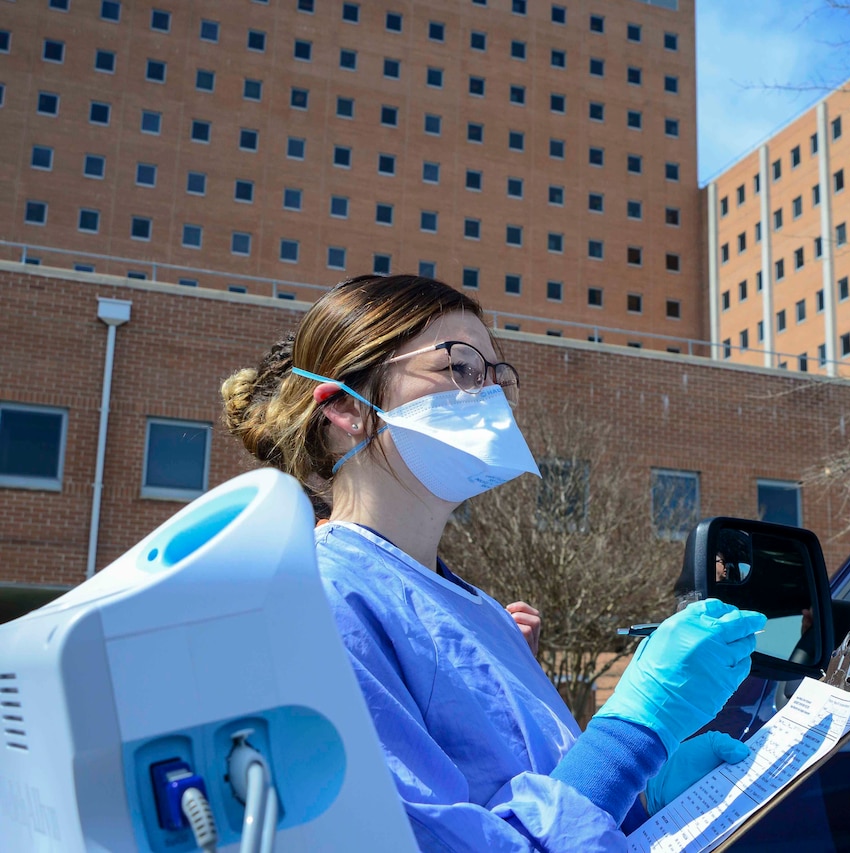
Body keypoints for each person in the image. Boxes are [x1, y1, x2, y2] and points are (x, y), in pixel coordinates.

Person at [221, 274, 764, 851]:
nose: (489, 397)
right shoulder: (322, 604)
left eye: (496, 376)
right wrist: (631, 736)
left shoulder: (474, 608)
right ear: (347, 408)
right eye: (459, 368)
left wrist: (643, 795)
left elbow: (540, 795)